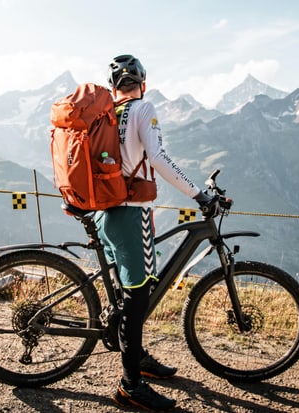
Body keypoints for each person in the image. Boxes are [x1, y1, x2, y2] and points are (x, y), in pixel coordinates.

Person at [95, 54, 220, 411]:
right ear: (142, 83)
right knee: (138, 298)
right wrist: (198, 193)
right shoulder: (142, 109)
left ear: (112, 87)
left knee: (130, 292)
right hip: (131, 214)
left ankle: (138, 356)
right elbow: (159, 157)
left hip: (110, 212)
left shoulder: (109, 114)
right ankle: (129, 385)